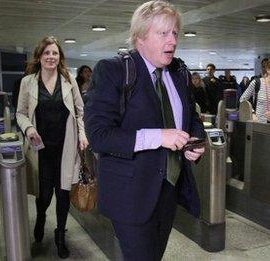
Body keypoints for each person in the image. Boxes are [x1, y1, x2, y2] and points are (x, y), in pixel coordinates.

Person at [83, 1, 205, 260]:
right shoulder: (113, 70)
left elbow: (192, 116)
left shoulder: (178, 71)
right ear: (140, 37)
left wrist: (195, 140)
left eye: (174, 33)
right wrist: (159, 136)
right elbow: (99, 136)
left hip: (169, 189)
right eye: (163, 33)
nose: (172, 40)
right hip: (131, 193)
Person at [16, 36, 88, 259]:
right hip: (41, 150)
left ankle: (60, 236)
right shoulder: (28, 82)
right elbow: (20, 113)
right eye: (47, 53)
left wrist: (83, 134)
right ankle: (40, 217)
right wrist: (28, 128)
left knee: (64, 194)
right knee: (45, 195)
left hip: (65, 147)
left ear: (60, 57)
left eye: (55, 53)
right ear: (39, 57)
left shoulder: (69, 80)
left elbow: (80, 111)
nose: (51, 57)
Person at [239, 57, 270, 123]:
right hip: (256, 124)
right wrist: (252, 114)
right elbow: (242, 99)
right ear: (268, 69)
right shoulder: (257, 83)